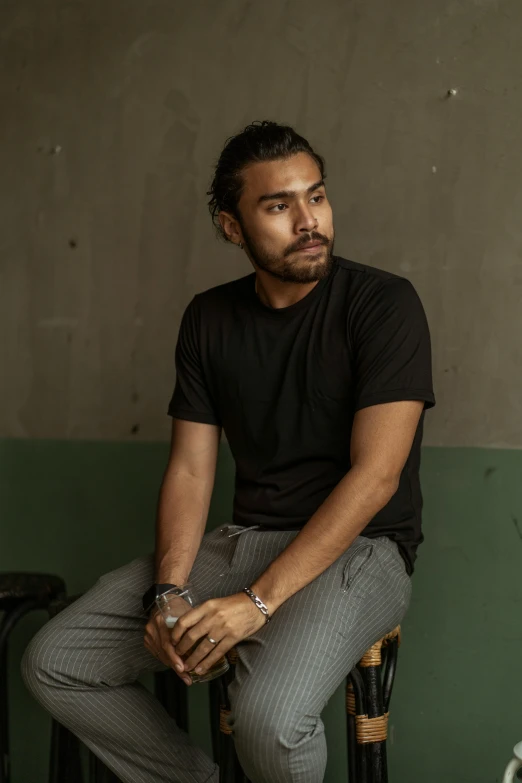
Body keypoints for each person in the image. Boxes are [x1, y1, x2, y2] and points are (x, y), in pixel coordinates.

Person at [22, 120, 435, 783]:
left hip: (364, 548)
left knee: (269, 720)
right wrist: (166, 593)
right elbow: (190, 468)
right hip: (245, 540)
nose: (309, 220)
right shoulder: (209, 318)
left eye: (317, 196)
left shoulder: (382, 304)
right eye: (279, 205)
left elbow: (377, 476)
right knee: (59, 658)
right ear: (232, 227)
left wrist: (259, 603)